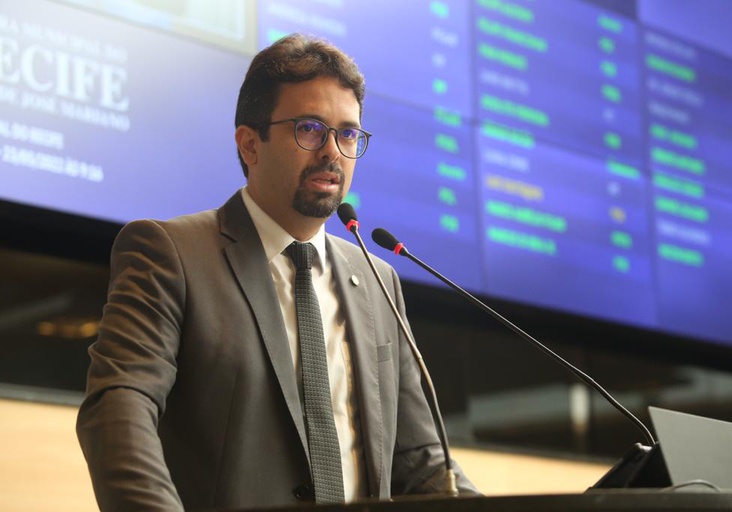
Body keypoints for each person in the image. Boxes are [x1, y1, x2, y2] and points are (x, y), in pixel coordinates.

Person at [76, 33, 478, 511]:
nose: (333, 151)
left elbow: (420, 462)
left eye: (348, 134)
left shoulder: (378, 280)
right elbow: (118, 410)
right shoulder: (171, 253)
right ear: (250, 144)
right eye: (310, 128)